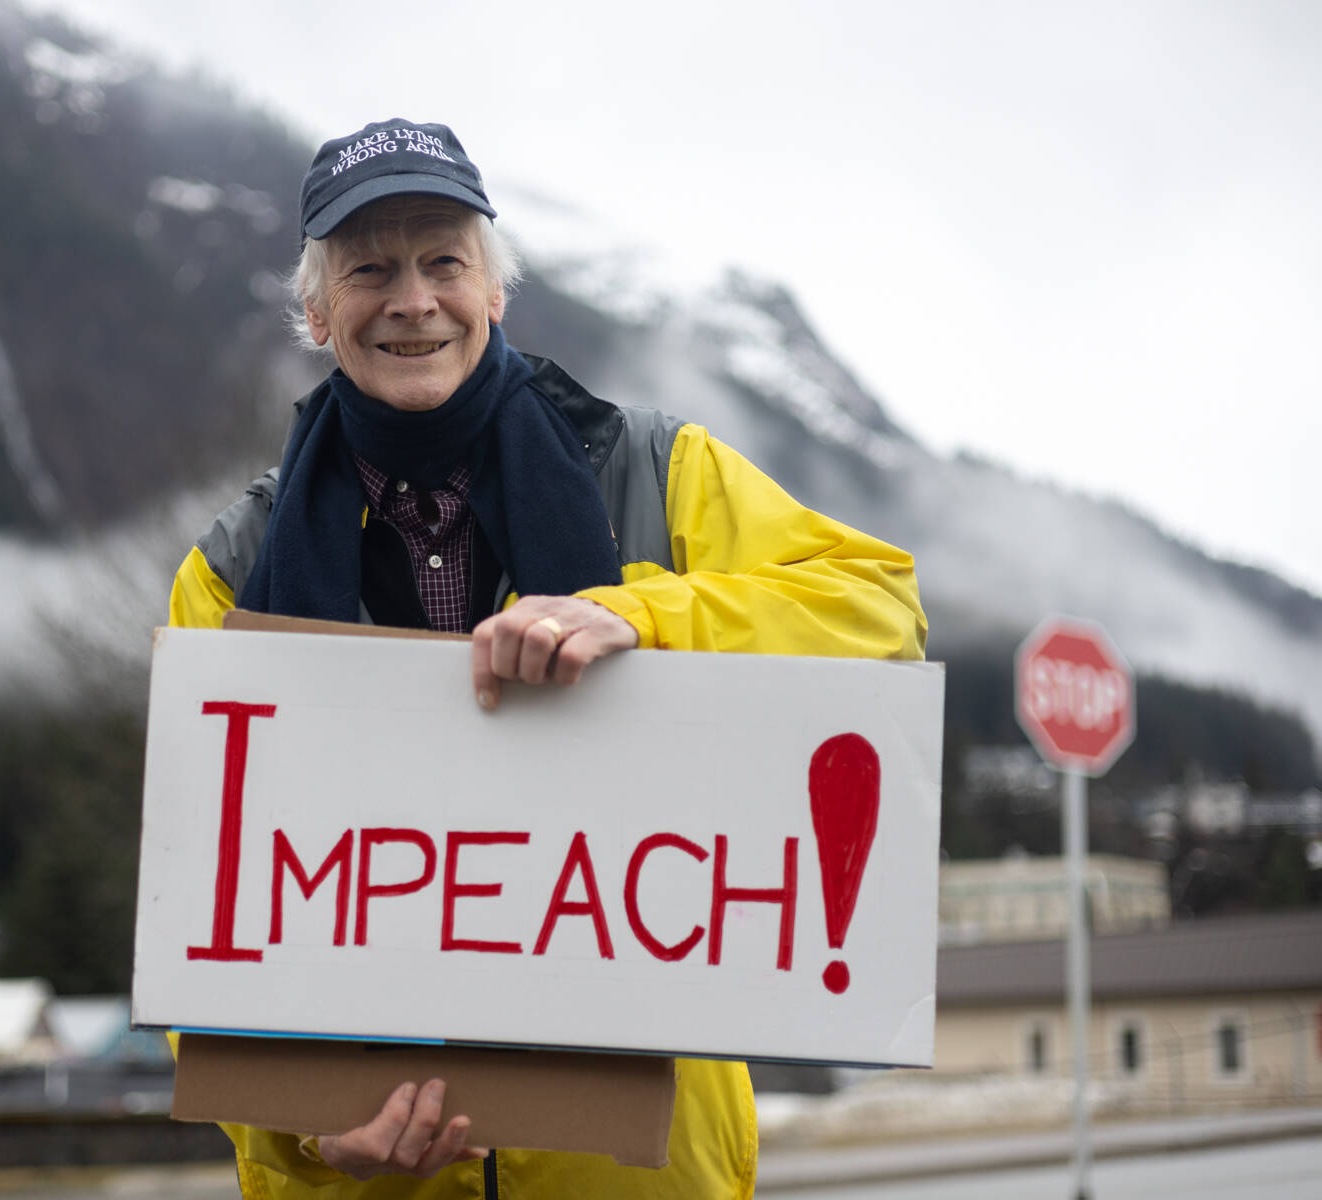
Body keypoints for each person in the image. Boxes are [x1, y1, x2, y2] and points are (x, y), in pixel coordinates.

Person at [167, 117, 927, 1199]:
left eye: (443, 261)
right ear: (316, 310)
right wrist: (299, 1131)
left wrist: (649, 622)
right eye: (369, 269)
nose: (412, 299)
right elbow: (201, 908)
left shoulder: (659, 473)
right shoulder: (231, 572)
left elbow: (881, 615)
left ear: (496, 291)